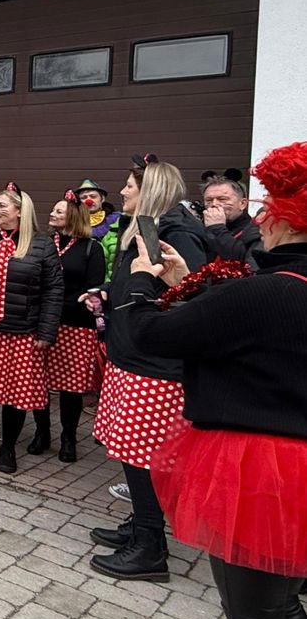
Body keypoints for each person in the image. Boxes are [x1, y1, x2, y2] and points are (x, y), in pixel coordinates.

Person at [116, 140, 307, 619]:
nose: (258, 219)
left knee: (254, 616)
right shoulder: (282, 291)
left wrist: (140, 282)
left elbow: (147, 339)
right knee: (280, 607)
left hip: (261, 469)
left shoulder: (270, 293)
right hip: (292, 469)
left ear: (286, 219)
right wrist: (183, 284)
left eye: (265, 208)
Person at [89, 156, 209, 582]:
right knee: (129, 453)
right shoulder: (141, 228)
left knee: (143, 458)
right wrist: (106, 292)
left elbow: (193, 293)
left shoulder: (177, 234)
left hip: (154, 368)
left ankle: (150, 547)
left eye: (129, 186)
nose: (122, 192)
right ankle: (140, 525)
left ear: (152, 190)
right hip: (133, 358)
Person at [0, 182, 64, 474]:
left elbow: (53, 291)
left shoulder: (41, 244)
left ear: (20, 211)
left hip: (22, 332)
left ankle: (8, 446)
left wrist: (46, 332)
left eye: (2, 206)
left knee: (15, 395)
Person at [28, 192, 106, 462]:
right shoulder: (44, 242)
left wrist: (60, 304)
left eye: (59, 212)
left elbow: (92, 286)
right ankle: (42, 432)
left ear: (73, 216)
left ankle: (69, 437)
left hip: (76, 326)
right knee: (40, 381)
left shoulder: (91, 248)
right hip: (43, 323)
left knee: (71, 387)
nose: (52, 214)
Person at [200, 168, 262, 265]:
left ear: (242, 204)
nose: (214, 204)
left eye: (222, 199)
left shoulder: (256, 230)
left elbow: (242, 261)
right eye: (209, 200)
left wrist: (217, 228)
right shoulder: (199, 227)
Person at [75, 177, 123, 275]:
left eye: (93, 196)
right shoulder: (74, 223)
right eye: (84, 198)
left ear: (102, 199)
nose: (89, 200)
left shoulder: (116, 219)